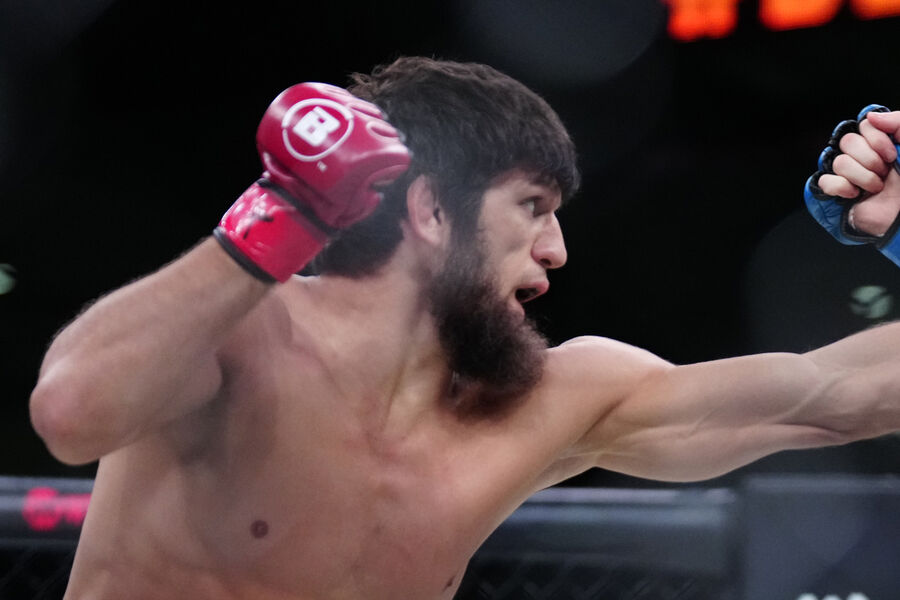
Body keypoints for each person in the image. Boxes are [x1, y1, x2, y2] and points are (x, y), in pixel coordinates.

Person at [28, 56, 900, 600]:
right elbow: (70, 412)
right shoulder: (240, 333)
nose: (556, 251)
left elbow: (841, 397)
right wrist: (278, 215)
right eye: (532, 206)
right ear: (432, 211)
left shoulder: (547, 400)